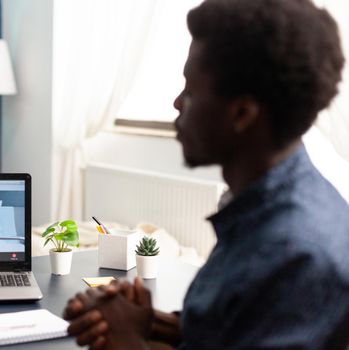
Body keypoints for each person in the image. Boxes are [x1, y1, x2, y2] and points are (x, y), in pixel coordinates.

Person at [63, 0, 349, 349]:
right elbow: (237, 328)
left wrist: (127, 340)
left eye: (191, 90)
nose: (177, 103)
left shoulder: (294, 254)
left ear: (242, 113)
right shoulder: (262, 208)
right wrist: (154, 324)